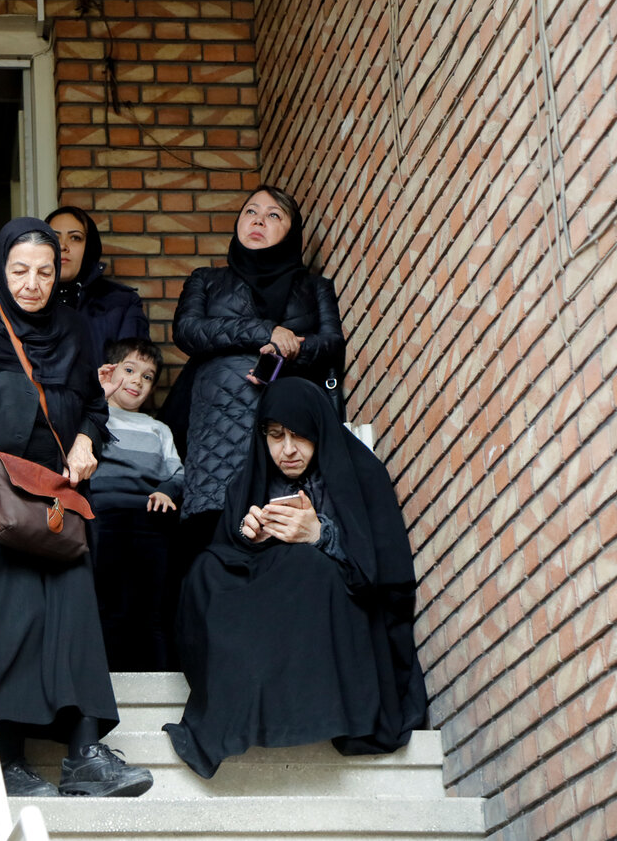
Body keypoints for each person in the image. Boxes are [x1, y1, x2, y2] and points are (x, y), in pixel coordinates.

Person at [0, 218, 153, 798]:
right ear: (1, 268)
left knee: (74, 618)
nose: (32, 284)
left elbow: (93, 407)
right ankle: (5, 759)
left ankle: (85, 755)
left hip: (55, 498)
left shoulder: (71, 327)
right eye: (20, 270)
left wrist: (87, 441)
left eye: (45, 273)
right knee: (10, 620)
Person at [163, 377, 427, 778]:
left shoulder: (359, 473)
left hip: (338, 611)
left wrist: (320, 534)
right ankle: (241, 697)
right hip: (274, 611)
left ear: (319, 431)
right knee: (206, 570)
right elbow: (232, 559)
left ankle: (307, 705)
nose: (287, 450)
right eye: (275, 436)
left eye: (299, 436)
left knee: (305, 564)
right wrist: (249, 538)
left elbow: (383, 578)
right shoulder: (249, 481)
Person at [172, 185, 345, 565]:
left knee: (282, 538)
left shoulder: (314, 288)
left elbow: (332, 343)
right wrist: (266, 332)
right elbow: (188, 331)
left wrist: (288, 351)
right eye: (251, 211)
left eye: (273, 215)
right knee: (215, 545)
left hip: (287, 424)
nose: (258, 221)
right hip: (219, 430)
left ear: (292, 232)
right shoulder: (206, 280)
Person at [92, 338, 184, 671]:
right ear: (110, 371)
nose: (137, 381)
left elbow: (178, 473)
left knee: (151, 606)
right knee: (106, 602)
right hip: (103, 516)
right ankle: (108, 679)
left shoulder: (158, 429)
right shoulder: (94, 417)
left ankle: (156, 677)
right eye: (129, 370)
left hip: (150, 517)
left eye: (147, 377)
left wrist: (166, 491)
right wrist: (96, 398)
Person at [45, 205, 149, 369]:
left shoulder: (122, 303)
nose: (63, 245)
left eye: (75, 238)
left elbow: (133, 372)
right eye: (54, 237)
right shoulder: (25, 300)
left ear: (89, 247)